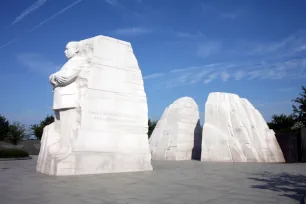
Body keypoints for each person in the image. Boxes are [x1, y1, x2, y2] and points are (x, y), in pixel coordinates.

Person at [48, 41, 85, 158]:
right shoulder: (68, 63)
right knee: (62, 126)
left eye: (67, 49)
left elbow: (65, 78)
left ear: (76, 50)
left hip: (68, 98)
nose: (65, 52)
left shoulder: (78, 61)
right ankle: (62, 148)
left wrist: (54, 76)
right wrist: (54, 77)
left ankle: (67, 150)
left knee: (68, 126)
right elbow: (53, 77)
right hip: (61, 97)